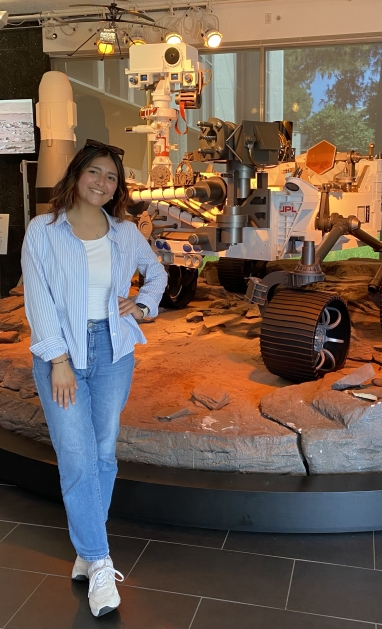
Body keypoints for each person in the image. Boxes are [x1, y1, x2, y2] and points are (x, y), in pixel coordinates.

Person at [21, 139, 167, 617]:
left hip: (112, 349)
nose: (103, 184)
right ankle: (100, 561)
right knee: (77, 453)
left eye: (112, 178)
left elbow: (155, 272)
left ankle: (87, 550)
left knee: (104, 449)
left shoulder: (123, 232)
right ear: (77, 173)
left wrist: (141, 304)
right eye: (96, 173)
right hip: (61, 353)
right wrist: (58, 359)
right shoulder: (43, 230)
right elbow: (38, 300)